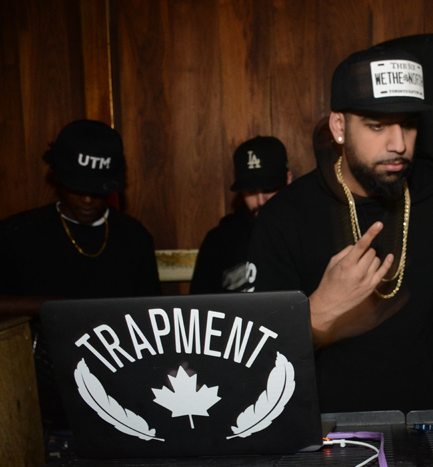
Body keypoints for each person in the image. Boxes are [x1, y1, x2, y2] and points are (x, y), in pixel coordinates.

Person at [249, 45, 433, 413]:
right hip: (324, 432)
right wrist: (318, 311)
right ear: (339, 127)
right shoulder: (285, 216)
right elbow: (258, 356)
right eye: (377, 126)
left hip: (422, 426)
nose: (399, 144)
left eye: (408, 124)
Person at [0, 119, 161, 431]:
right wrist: (50, 307)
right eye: (78, 187)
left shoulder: (134, 237)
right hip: (38, 399)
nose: (88, 200)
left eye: (99, 191)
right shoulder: (17, 234)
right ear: (58, 177)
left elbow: (151, 315)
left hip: (120, 393)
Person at [190, 136, 292, 294]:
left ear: (288, 179)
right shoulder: (219, 241)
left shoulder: (306, 232)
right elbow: (198, 304)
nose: (260, 200)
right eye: (251, 190)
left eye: (269, 188)